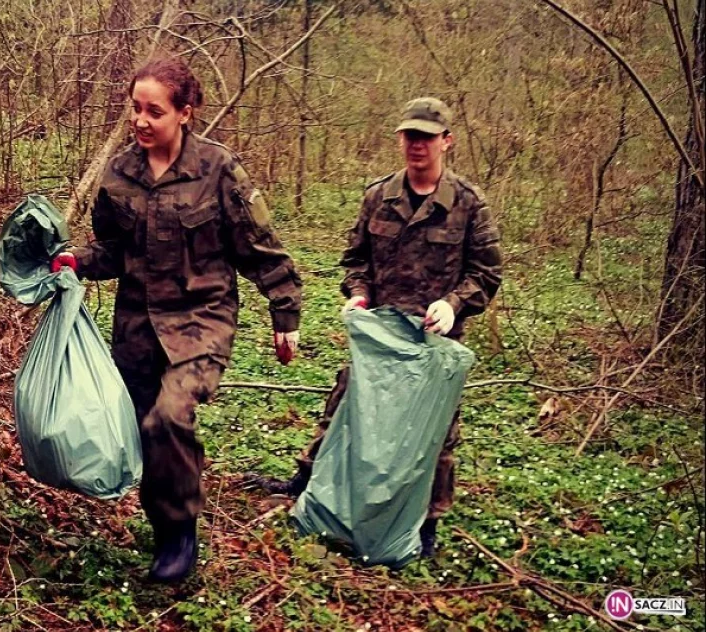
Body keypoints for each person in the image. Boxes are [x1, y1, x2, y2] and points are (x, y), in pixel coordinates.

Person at [50, 58, 302, 582]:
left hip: (200, 320)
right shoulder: (119, 173)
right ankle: (165, 531)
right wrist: (75, 259)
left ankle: (181, 533)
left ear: (185, 113)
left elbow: (259, 247)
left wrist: (285, 312)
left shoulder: (219, 169)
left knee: (169, 416)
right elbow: (111, 250)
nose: (140, 120)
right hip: (138, 327)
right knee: (145, 430)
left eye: (154, 111)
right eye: (135, 109)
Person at [249, 97, 502, 558]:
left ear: (447, 141)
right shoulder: (379, 197)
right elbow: (355, 260)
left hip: (433, 342)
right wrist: (359, 294)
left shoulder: (467, 203)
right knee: (344, 408)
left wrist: (453, 303)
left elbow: (486, 273)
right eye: (410, 136)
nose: (416, 145)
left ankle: (426, 523)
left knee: (434, 434)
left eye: (426, 137)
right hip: (379, 337)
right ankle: (306, 484)